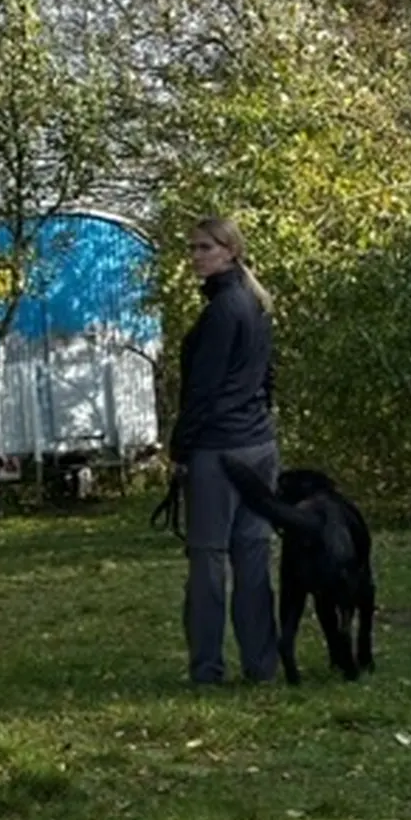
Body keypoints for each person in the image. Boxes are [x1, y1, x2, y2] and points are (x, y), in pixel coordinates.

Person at [169, 216, 280, 684]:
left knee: (208, 559)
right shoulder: (254, 303)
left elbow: (203, 389)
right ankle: (261, 665)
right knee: (252, 553)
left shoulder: (222, 310)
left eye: (204, 248)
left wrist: (180, 447)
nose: (196, 256)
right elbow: (267, 376)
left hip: (219, 448)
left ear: (230, 250)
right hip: (258, 443)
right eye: (193, 248)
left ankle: (207, 669)